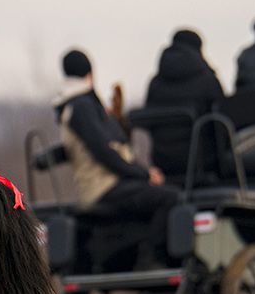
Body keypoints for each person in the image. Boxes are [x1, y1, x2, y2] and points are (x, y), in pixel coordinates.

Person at [55, 49, 182, 266]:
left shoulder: (73, 106)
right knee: (171, 197)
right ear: (89, 74)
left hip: (102, 187)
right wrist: (144, 175)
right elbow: (104, 152)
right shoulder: (82, 106)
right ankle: (154, 259)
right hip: (104, 188)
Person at [141, 29, 227, 179]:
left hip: (162, 164)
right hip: (202, 163)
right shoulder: (208, 81)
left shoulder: (155, 84)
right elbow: (222, 124)